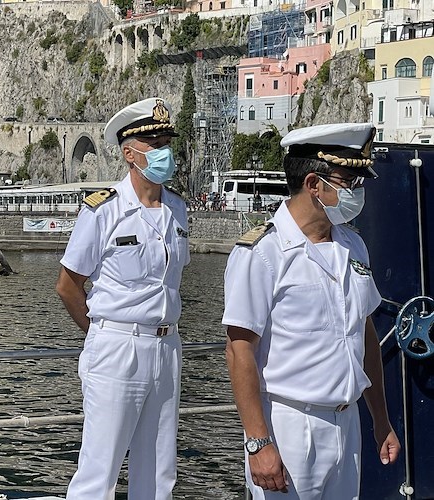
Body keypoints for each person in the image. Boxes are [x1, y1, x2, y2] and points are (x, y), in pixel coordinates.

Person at [222, 123, 400, 499]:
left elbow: (364, 332)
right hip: (290, 425)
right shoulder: (263, 252)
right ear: (315, 185)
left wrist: (380, 419)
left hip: (346, 423)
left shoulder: (353, 246)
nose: (357, 191)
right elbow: (239, 351)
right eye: (349, 180)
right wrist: (258, 442)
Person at [56, 97, 190, 500]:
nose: (165, 150)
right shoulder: (104, 211)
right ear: (129, 153)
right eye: (154, 143)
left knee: (158, 472)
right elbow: (68, 284)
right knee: (101, 471)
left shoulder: (178, 211)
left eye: (167, 140)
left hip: (168, 346)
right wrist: (101, 331)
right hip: (118, 346)